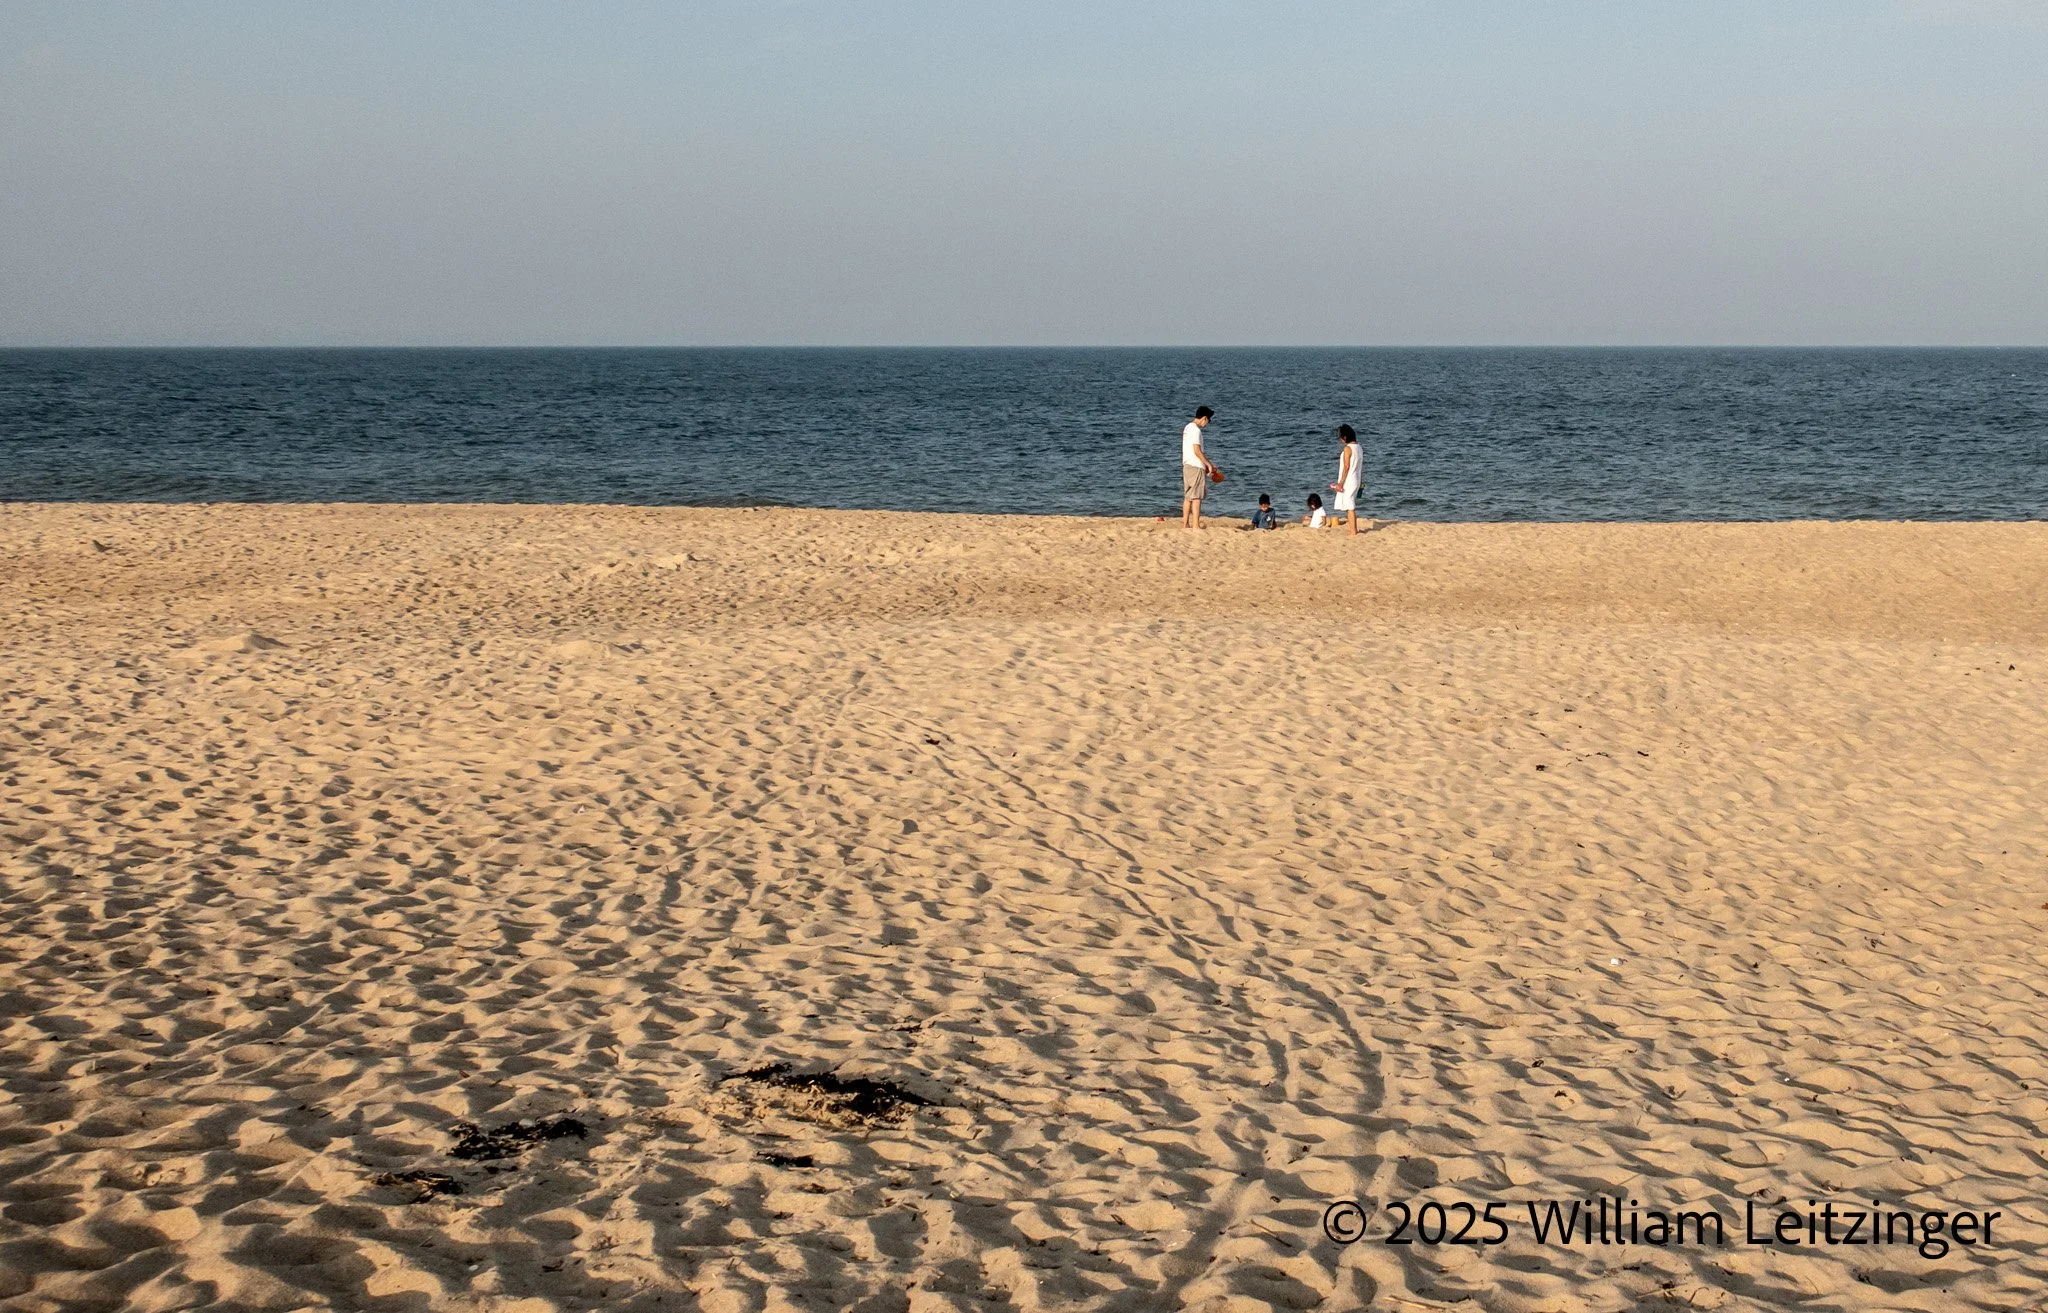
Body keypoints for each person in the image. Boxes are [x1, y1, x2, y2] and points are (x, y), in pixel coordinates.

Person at [1180, 406, 1217, 530]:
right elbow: (1197, 450)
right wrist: (1208, 464)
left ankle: (1185, 524)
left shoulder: (1187, 427)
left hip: (1187, 465)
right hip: (1196, 466)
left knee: (1188, 496)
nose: (1208, 423)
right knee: (1197, 497)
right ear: (1204, 418)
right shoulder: (1196, 430)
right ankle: (1195, 525)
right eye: (1209, 420)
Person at [1329, 424, 1365, 536]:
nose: (1340, 439)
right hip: (1356, 478)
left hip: (1349, 480)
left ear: (1345, 437)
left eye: (1340, 436)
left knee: (1350, 506)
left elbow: (1346, 467)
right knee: (1350, 504)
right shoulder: (1359, 447)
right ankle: (1353, 529)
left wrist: (1340, 483)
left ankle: (1353, 531)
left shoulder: (1348, 448)